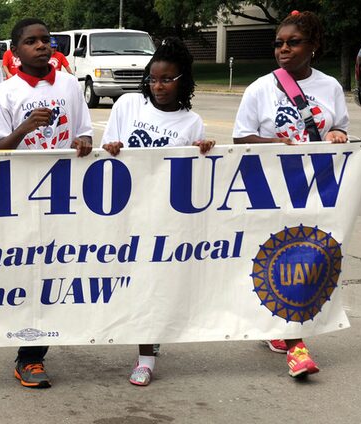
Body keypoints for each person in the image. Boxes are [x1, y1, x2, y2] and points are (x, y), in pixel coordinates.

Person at [233, 10, 348, 378]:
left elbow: (340, 130)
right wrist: (275, 143)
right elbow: (240, 137)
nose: (283, 49)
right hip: (273, 192)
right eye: (279, 43)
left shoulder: (329, 87)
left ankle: (286, 331)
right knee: (286, 260)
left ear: (313, 46)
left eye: (293, 42)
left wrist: (336, 136)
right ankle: (296, 343)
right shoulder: (260, 88)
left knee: (309, 261)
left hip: (318, 192)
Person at [101, 38, 214, 386]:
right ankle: (146, 339)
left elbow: (195, 175)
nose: (158, 86)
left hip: (164, 215)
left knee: (152, 282)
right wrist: (113, 147)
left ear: (183, 80)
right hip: (126, 208)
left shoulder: (191, 123)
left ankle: (145, 355)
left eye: (166, 79)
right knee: (133, 279)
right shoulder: (128, 105)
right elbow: (107, 150)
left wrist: (204, 151)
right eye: (152, 79)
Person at [0, 18, 92, 389]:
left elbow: (84, 131)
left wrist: (82, 141)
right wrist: (24, 128)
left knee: (55, 272)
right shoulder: (6, 93)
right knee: (27, 274)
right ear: (15, 52)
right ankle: (27, 355)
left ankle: (35, 352)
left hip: (65, 195)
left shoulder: (68, 85)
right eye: (31, 41)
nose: (41, 46)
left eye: (45, 40)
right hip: (22, 196)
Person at [3, 38, 72, 79]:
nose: (53, 49)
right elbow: (4, 65)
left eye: (55, 47)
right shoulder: (7, 53)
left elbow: (66, 66)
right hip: (14, 78)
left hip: (54, 78)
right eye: (52, 47)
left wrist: (71, 74)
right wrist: (8, 74)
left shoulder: (60, 55)